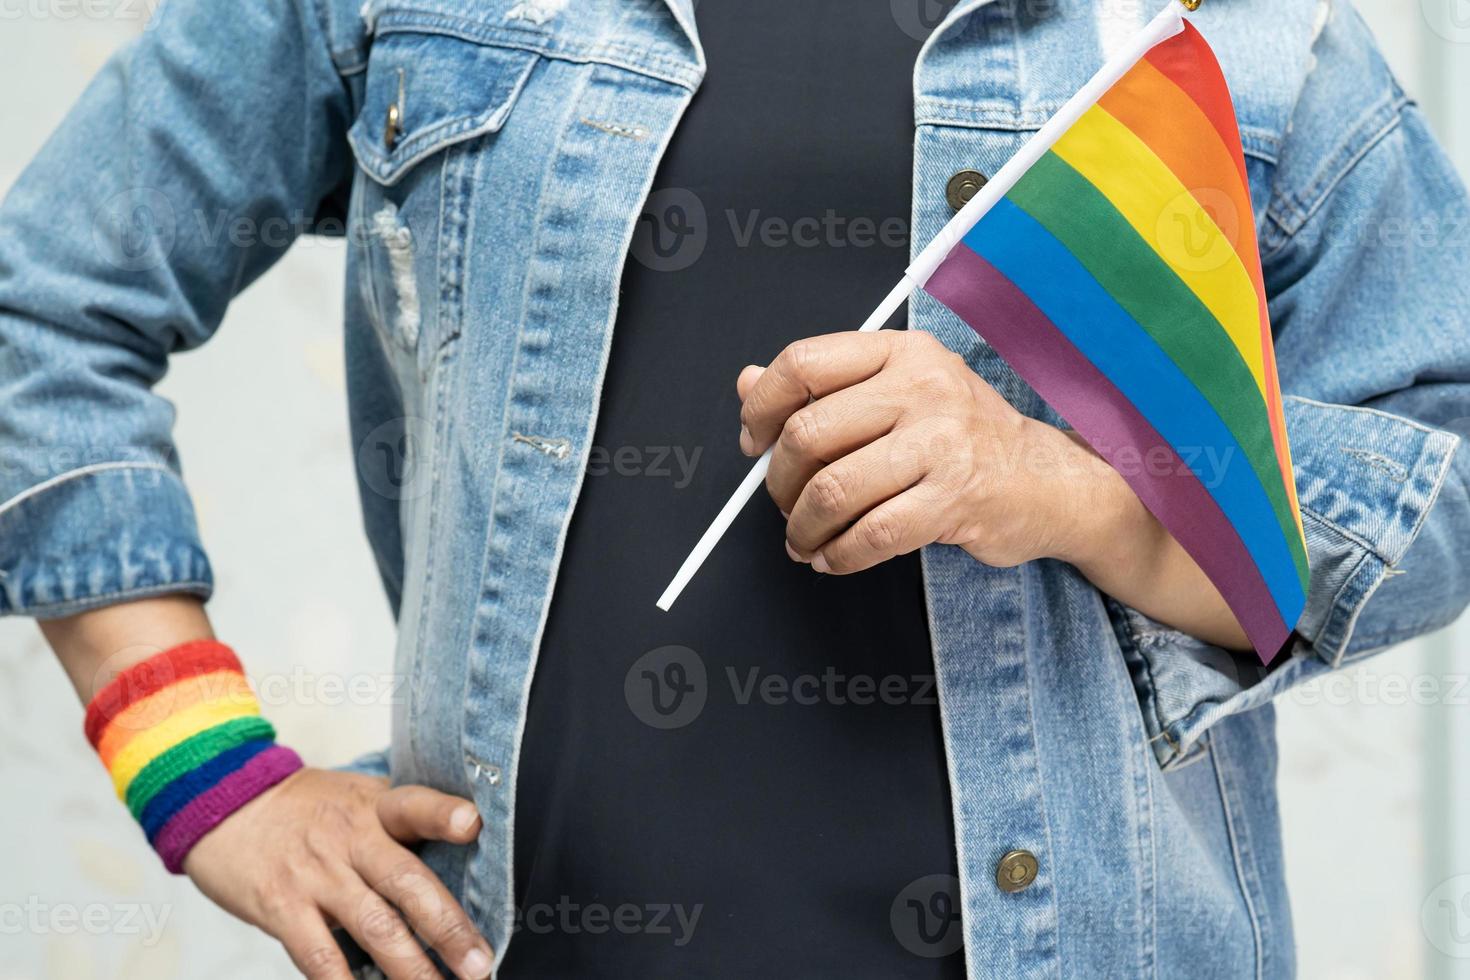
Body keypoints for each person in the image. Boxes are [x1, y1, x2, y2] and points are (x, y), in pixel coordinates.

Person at [3, 0, 1468, 976]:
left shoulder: (1224, 27)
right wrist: (203, 773)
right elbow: (46, 304)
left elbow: (1441, 467)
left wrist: (1058, 485)